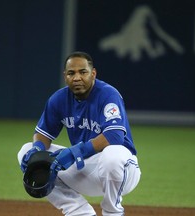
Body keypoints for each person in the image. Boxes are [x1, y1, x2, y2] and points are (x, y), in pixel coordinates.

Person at [17, 51, 141, 216]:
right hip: (85, 169)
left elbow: (115, 136)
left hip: (122, 171)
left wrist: (75, 152)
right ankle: (79, 212)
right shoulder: (59, 99)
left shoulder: (108, 94)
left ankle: (113, 212)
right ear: (65, 76)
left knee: (113, 154)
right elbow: (43, 133)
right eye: (71, 73)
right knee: (25, 151)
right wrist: (37, 149)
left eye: (83, 72)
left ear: (93, 73)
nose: (76, 77)